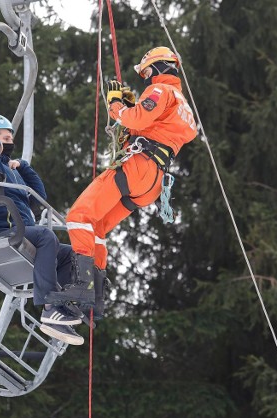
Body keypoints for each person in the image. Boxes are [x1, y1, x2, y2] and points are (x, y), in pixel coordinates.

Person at [45, 46, 198, 311]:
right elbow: (152, 125)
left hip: (138, 166)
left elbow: (137, 120)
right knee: (98, 227)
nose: (147, 78)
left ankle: (82, 285)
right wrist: (130, 107)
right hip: (154, 181)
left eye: (148, 71)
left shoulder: (161, 90)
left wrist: (117, 106)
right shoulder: (183, 105)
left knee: (79, 216)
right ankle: (97, 294)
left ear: (161, 67)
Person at [0, 113, 84, 346]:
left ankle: (59, 305)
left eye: (11, 138)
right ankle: (49, 306)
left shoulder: (9, 168)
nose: (10, 143)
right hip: (2, 231)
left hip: (21, 230)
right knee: (46, 236)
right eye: (4, 138)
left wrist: (24, 167)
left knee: (70, 253)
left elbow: (39, 195)